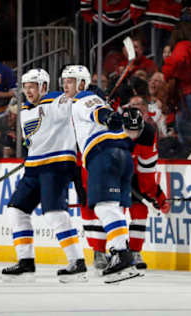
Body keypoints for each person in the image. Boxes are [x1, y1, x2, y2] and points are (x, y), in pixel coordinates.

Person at [1, 68, 88, 283]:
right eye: (26, 86)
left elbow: (72, 102)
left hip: (56, 166)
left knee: (54, 214)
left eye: (33, 86)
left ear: (44, 87)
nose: (28, 90)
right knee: (16, 211)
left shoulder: (56, 101)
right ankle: (26, 262)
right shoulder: (24, 108)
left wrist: (87, 95)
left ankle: (77, 261)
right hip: (34, 168)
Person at [71, 78, 140, 283]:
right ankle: (122, 252)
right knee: (111, 207)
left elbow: (99, 113)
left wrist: (107, 115)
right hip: (121, 155)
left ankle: (122, 253)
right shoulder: (99, 104)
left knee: (103, 207)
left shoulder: (85, 98)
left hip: (104, 154)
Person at [122, 107, 170, 272]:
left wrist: (155, 194)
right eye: (129, 131)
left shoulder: (148, 136)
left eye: (137, 131)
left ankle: (135, 251)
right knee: (114, 212)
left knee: (140, 211)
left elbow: (147, 175)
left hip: (136, 173)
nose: (133, 135)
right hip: (113, 174)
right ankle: (118, 252)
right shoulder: (112, 134)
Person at [162, 21, 191, 157]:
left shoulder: (182, 46)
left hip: (189, 97)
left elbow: (175, 63)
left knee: (188, 145)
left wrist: (166, 71)